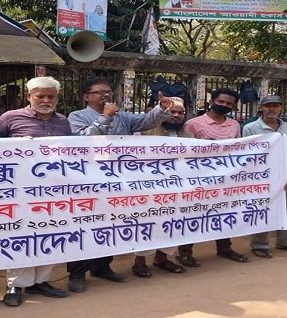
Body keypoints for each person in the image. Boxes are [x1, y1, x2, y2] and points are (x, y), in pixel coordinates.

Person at [66, 78, 183, 293]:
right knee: (85, 226)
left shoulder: (124, 116)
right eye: (100, 92)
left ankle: (102, 267)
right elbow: (82, 141)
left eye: (108, 92)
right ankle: (77, 273)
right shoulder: (77, 116)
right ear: (86, 97)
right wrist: (105, 117)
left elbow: (146, 122)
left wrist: (161, 108)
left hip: (118, 180)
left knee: (110, 224)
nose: (105, 95)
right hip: (87, 182)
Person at [0, 76, 71, 306]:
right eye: (40, 96)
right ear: (29, 96)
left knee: (52, 233)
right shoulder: (9, 118)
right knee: (21, 235)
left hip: (54, 190)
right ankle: (16, 285)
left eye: (51, 96)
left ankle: (41, 281)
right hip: (20, 191)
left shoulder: (63, 122)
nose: (46, 100)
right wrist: (15, 146)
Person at [178, 88, 250, 266]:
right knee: (193, 214)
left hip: (226, 178)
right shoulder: (193, 124)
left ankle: (225, 247)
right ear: (211, 102)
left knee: (224, 211)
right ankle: (185, 252)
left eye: (229, 104)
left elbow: (238, 149)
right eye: (221, 102)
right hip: (198, 179)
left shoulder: (234, 125)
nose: (224, 105)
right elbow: (184, 150)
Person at [243, 95, 287, 257]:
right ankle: (259, 245)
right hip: (262, 179)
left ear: (281, 108)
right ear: (261, 108)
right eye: (268, 106)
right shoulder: (251, 128)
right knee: (261, 210)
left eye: (275, 106)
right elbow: (246, 153)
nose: (271, 109)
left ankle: (286, 242)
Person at [131, 104, 189, 277]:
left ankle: (162, 259)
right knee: (146, 224)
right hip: (150, 188)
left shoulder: (188, 135)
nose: (176, 116)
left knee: (173, 223)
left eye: (180, 113)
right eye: (172, 112)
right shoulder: (145, 132)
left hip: (178, 188)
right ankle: (140, 262)